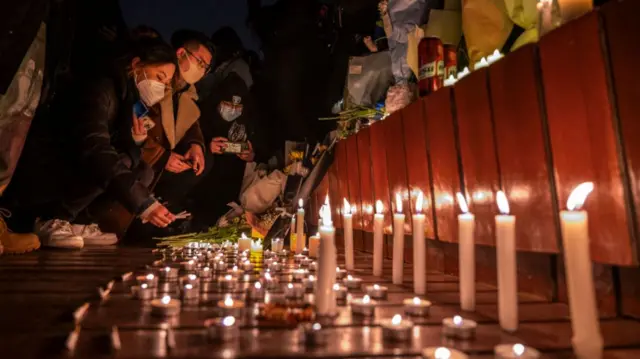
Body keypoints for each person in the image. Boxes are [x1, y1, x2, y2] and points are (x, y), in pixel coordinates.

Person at [1, 37, 178, 249]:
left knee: (142, 169)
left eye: (166, 84)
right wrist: (144, 204)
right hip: (47, 169)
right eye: (159, 77)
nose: (161, 87)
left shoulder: (127, 96)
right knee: (113, 162)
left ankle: (77, 221)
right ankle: (51, 217)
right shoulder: (101, 88)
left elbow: (122, 150)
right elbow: (94, 148)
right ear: (136, 64)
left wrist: (136, 141)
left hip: (75, 166)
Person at [130, 30, 212, 237]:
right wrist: (162, 157)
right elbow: (137, 122)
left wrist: (195, 145)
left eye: (206, 67)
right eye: (200, 61)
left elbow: (191, 121)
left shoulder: (186, 91)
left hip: (164, 155)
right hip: (145, 154)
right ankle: (141, 216)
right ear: (181, 53)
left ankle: (163, 212)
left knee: (202, 164)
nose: (201, 69)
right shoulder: (152, 85)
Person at [188, 27, 263, 229]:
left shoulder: (237, 84)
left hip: (232, 167)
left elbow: (256, 124)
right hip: (213, 163)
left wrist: (252, 150)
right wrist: (204, 144)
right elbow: (194, 123)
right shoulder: (210, 88)